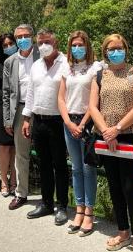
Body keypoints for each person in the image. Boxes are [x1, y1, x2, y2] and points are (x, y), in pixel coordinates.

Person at [89, 34, 133, 252]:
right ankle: (123, 231)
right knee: (114, 185)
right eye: (110, 49)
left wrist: (118, 129)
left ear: (126, 48)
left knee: (130, 187)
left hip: (130, 134)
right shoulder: (99, 75)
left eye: (118, 48)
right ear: (105, 52)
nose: (115, 52)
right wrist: (106, 130)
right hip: (105, 136)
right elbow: (93, 106)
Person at [22, 28, 70, 226]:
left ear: (56, 42)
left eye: (47, 42)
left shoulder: (66, 63)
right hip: (39, 120)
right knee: (43, 164)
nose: (43, 46)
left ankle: (62, 206)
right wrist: (27, 118)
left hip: (59, 121)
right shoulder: (36, 65)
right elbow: (30, 93)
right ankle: (46, 203)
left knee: (60, 164)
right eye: (40, 43)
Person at [57, 30, 100, 236]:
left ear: (87, 46)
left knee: (87, 168)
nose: (77, 48)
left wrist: (81, 125)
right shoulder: (67, 67)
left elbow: (94, 100)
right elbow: (61, 98)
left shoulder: (96, 67)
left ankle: (90, 212)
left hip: (87, 123)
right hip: (69, 122)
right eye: (73, 45)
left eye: (80, 45)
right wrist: (67, 122)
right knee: (75, 168)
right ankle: (79, 209)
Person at [3, 24, 40, 210]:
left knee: (46, 154)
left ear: (32, 36)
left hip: (41, 111)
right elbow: (7, 92)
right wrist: (7, 119)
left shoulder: (42, 56)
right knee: (21, 155)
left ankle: (51, 196)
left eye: (26, 35)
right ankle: (21, 193)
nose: (23, 39)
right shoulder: (10, 62)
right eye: (19, 37)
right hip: (19, 111)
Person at [0, 33, 18, 197]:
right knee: (3, 145)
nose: (8, 47)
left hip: (19, 105)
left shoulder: (23, 61)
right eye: (5, 45)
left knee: (16, 146)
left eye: (11, 43)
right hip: (1, 105)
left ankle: (15, 181)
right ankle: (3, 180)